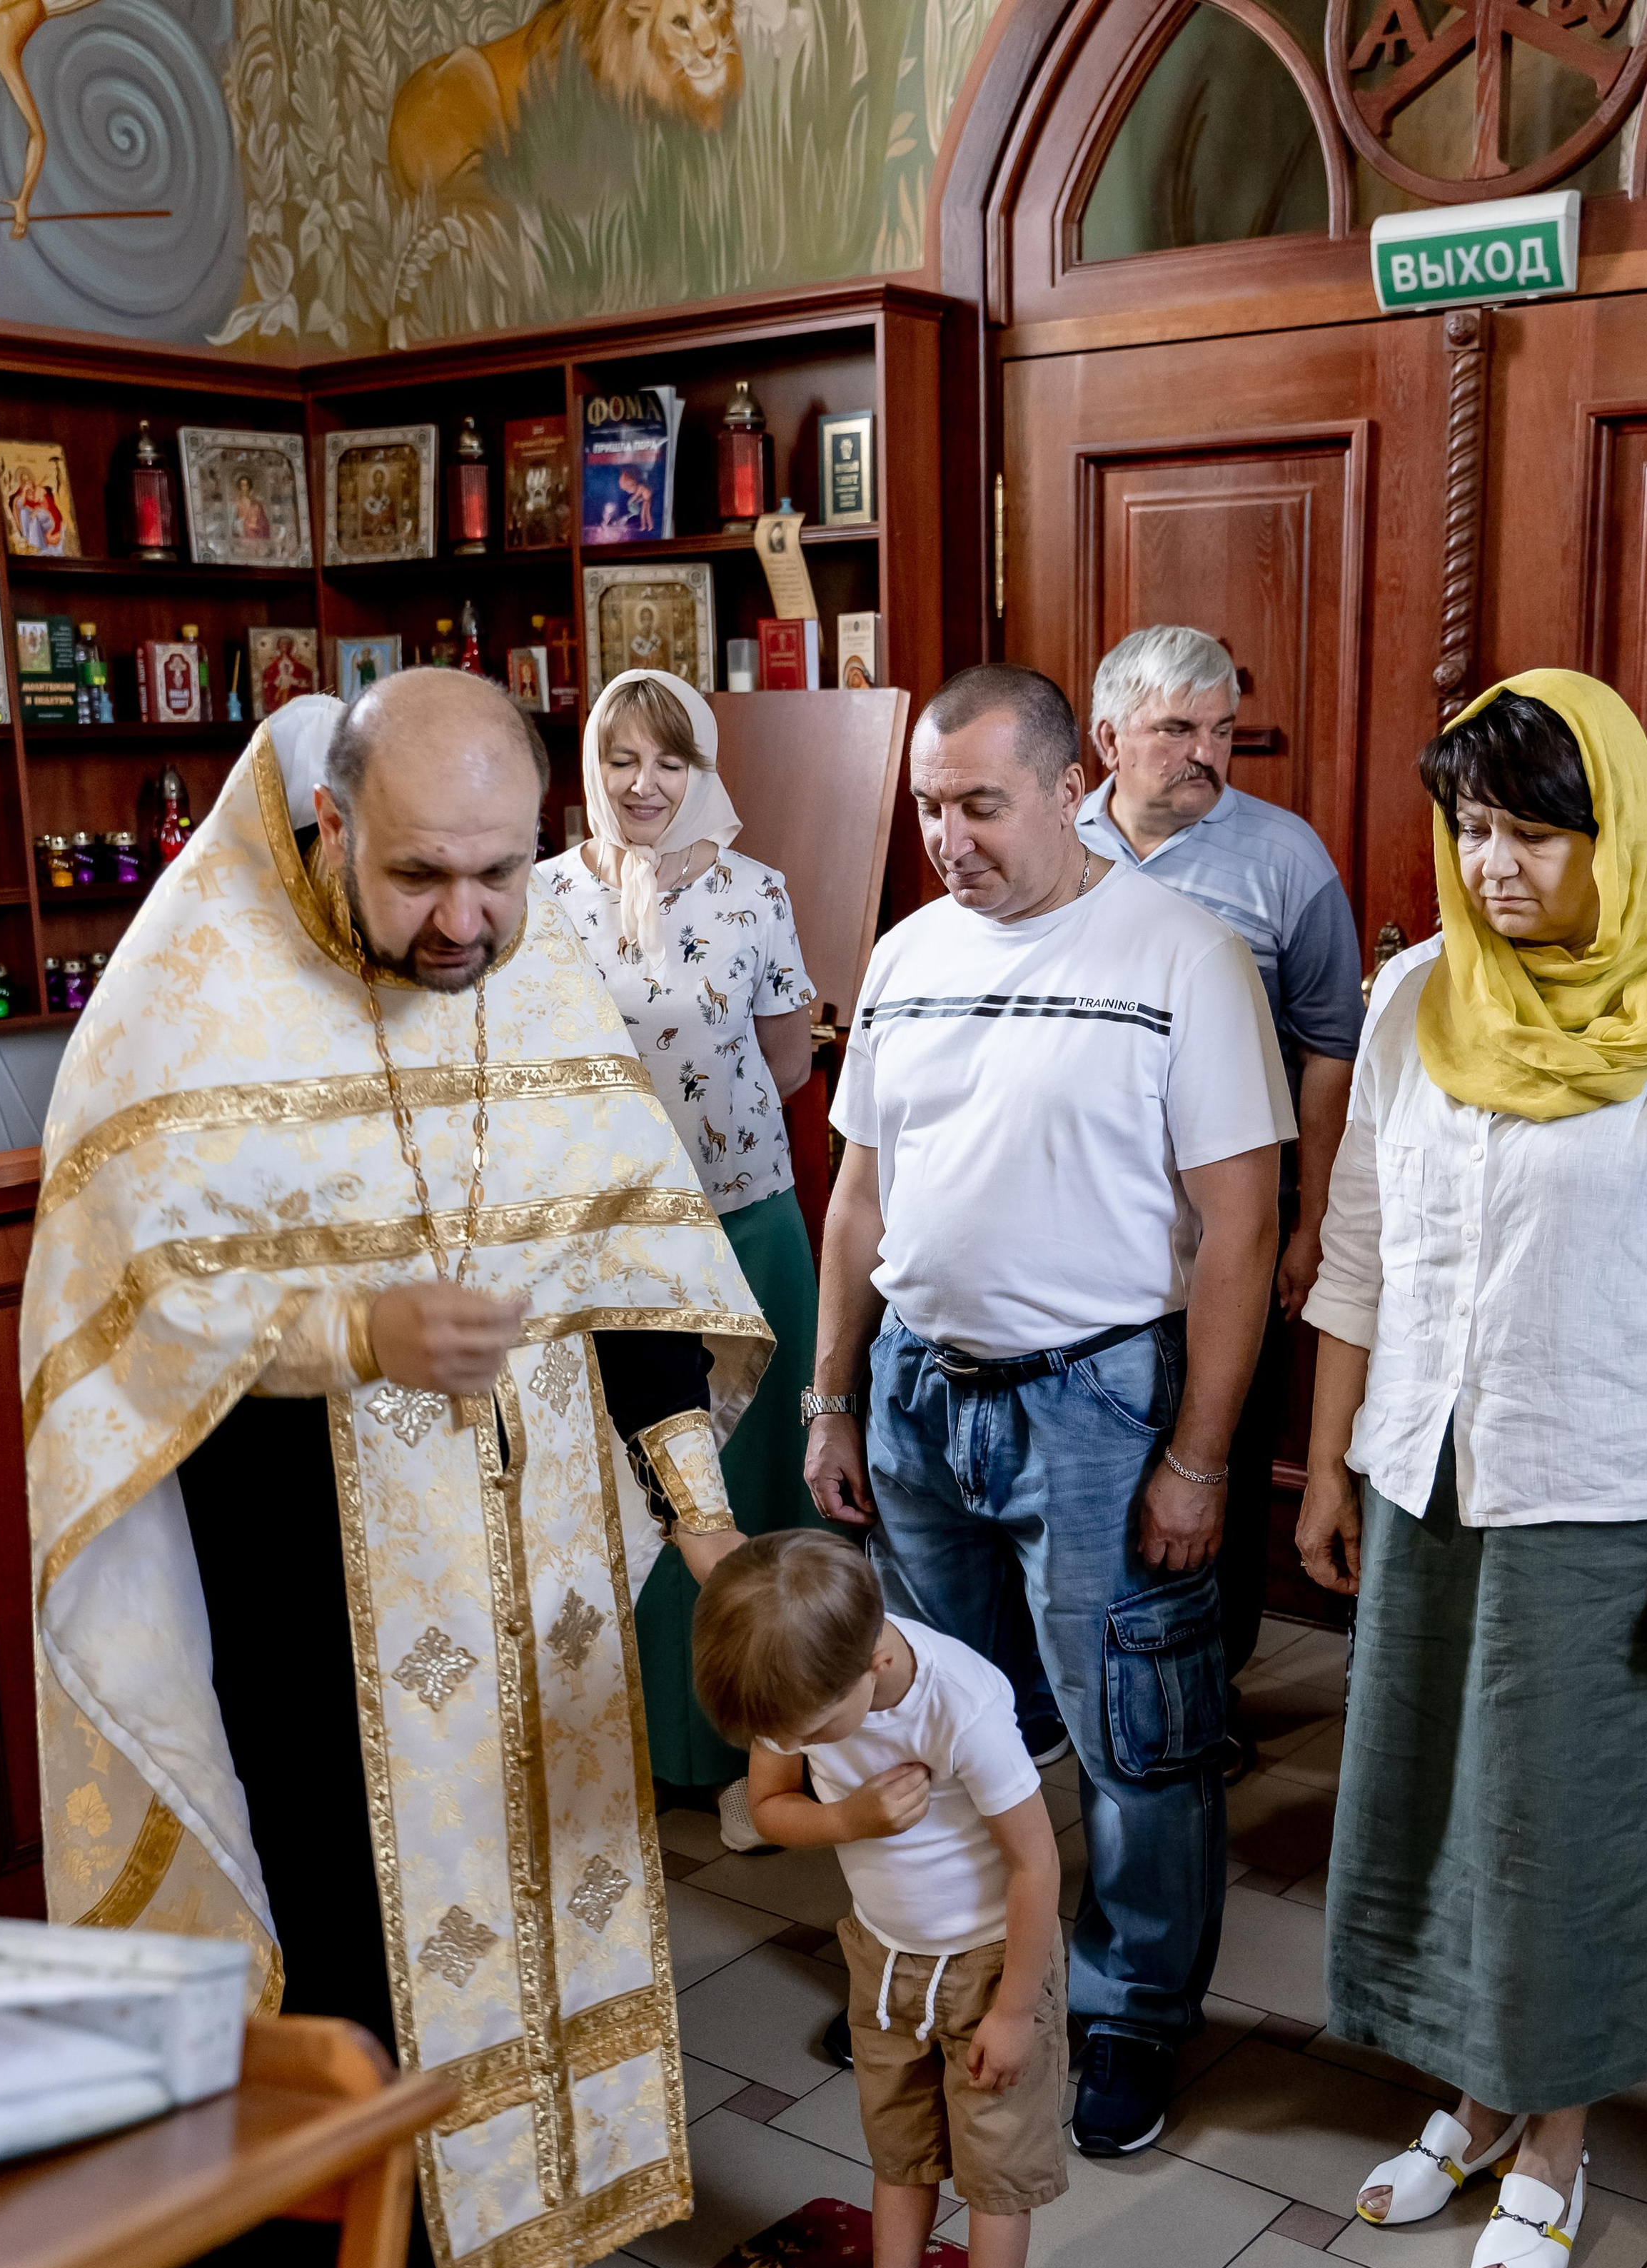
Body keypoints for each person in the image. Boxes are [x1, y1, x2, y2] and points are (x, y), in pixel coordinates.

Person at [25, 667, 770, 2268]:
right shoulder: (193, 995)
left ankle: (519, 2215)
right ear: (333, 828)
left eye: (504, 876)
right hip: (300, 1581)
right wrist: (348, 1335)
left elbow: (628, 1267)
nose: (470, 923)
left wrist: (709, 1523)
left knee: (527, 1887)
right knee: (340, 1937)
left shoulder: (536, 973)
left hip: (532, 1575)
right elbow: (124, 1297)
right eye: (426, 878)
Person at [1298, 670, 1647, 2268]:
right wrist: (1328, 1456)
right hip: (1429, 1467)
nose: (1492, 863)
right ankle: (1474, 2094)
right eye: (1470, 826)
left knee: (1563, 1837)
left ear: (1613, 834)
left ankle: (1553, 2147)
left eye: (1531, 832)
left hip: (1604, 1492)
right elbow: (1354, 1248)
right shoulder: (1415, 995)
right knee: (1443, 1814)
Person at [806, 663, 1294, 2159]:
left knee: (1135, 1732)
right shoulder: (901, 956)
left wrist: (1199, 1459)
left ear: (1068, 782)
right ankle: (970, 1957)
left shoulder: (1180, 957)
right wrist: (830, 1395)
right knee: (941, 1707)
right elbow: (858, 1199)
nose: (950, 837)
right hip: (918, 1398)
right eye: (927, 808)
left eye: (979, 805)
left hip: (1096, 1406)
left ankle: (1134, 2005)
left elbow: (1240, 1228)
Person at [692, 1531, 1063, 2268]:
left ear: (876, 1659)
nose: (808, 1746)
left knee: (991, 2174)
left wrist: (1017, 2009)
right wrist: (846, 1819)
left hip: (988, 1965)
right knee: (899, 2155)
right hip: (883, 1958)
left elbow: (1036, 1865)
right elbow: (773, 1806)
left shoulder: (961, 1703)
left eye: (817, 1732)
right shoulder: (797, 1683)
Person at [539, 667, 818, 1834]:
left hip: (746, 1218)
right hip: (601, 1239)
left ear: (701, 770)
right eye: (621, 760)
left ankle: (762, 1765)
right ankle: (643, 1750)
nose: (644, 784)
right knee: (632, 1494)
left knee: (751, 1487)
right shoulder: (539, 897)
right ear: (593, 771)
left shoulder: (758, 892)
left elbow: (791, 1062)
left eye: (670, 761)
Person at [1078, 626, 1364, 1725]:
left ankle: (1209, 1692)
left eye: (1222, 730)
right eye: (1175, 729)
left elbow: (1331, 1044)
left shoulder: (1284, 858)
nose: (1205, 753)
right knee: (1101, 1450)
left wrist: (1311, 1218)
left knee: (1216, 1450)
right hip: (1088, 1215)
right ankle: (1092, 1683)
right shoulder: (1054, 844)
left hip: (1233, 1217)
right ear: (1108, 738)